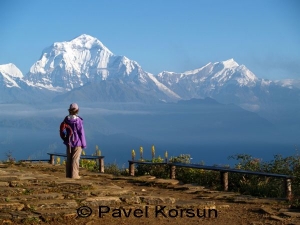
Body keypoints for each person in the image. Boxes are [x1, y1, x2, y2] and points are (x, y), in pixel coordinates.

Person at [63, 103, 86, 179]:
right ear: (77, 110)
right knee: (75, 159)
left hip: (69, 141)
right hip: (77, 142)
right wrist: (83, 144)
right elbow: (81, 133)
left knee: (69, 159)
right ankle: (75, 175)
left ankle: (68, 175)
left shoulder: (66, 119)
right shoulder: (78, 120)